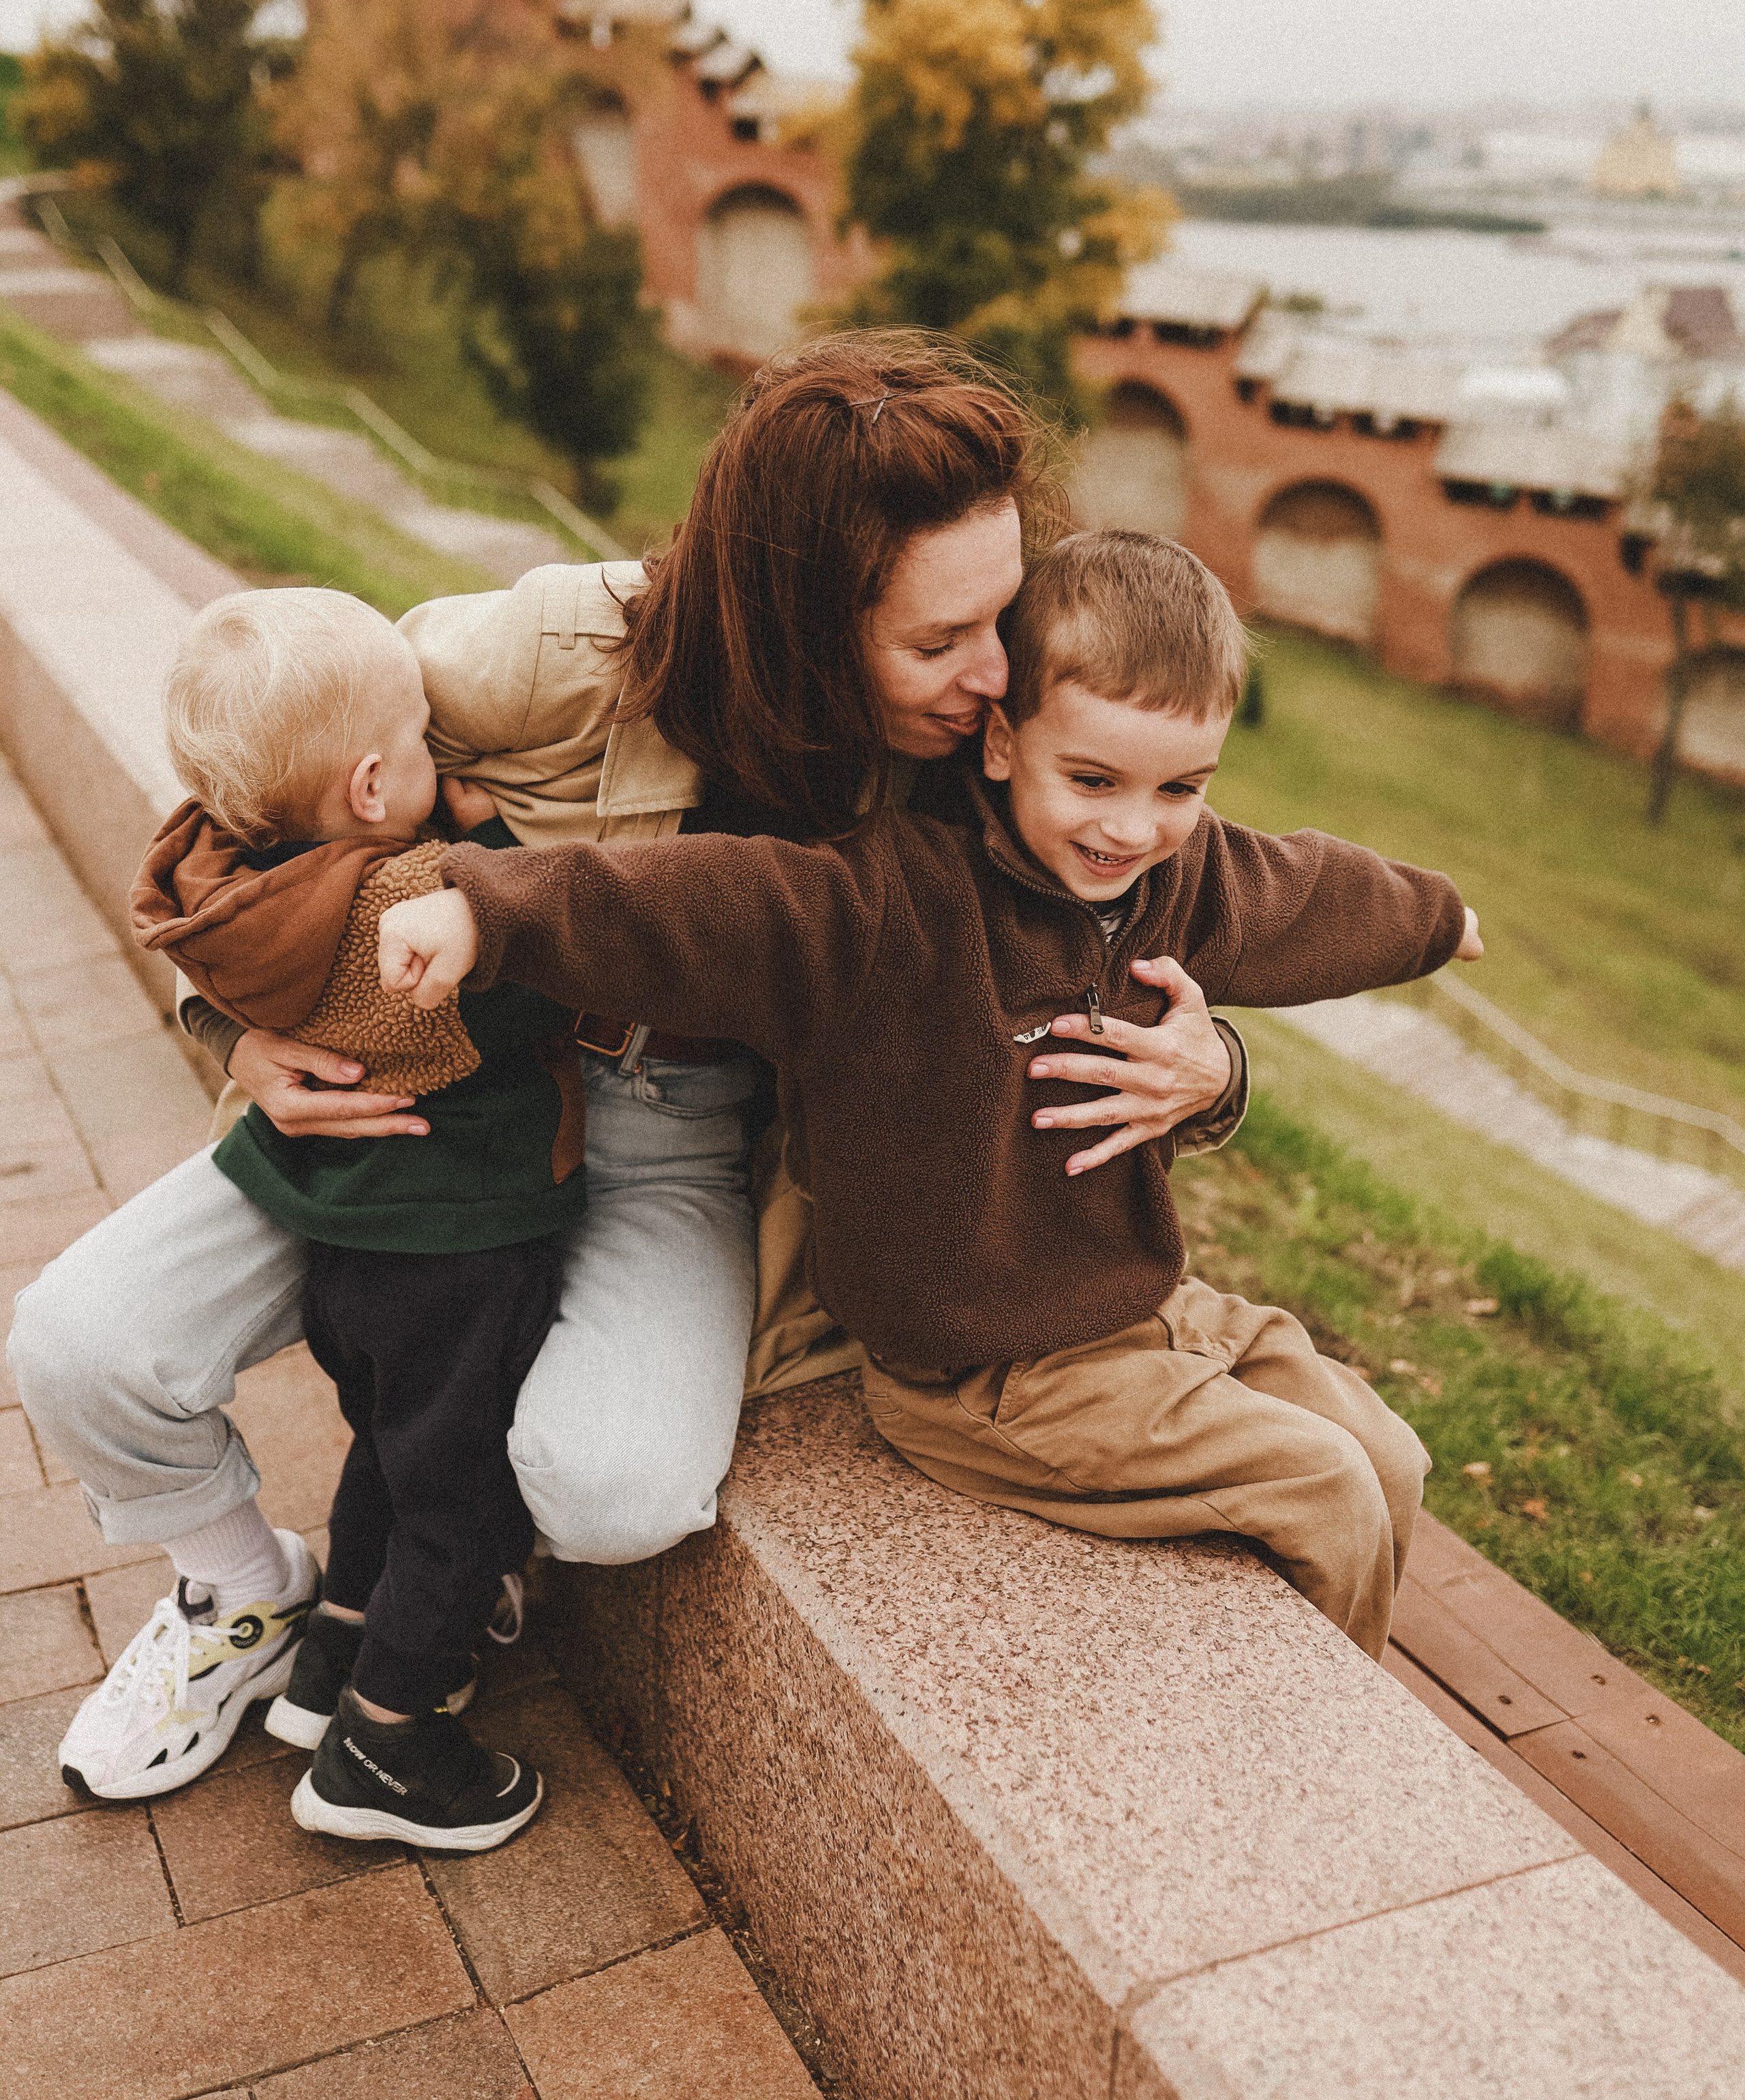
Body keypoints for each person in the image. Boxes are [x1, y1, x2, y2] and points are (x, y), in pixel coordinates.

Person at [9, 333, 1246, 1804]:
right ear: (796, 614)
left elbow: (1158, 890)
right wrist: (243, 1033)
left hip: (674, 1132)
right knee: (79, 1349)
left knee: (614, 1492)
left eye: (1002, 617)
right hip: (424, 1098)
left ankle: (436, 1547)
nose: (994, 676)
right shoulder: (549, 649)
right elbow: (246, 785)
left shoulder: (970, 744)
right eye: (938, 642)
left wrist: (1212, 1066)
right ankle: (243, 1592)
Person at [382, 531, 1485, 1659]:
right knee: (1328, 1490)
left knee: (1393, 1457)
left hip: (1144, 1308)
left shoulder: (1176, 875)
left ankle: (1335, 1701)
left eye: (1179, 789)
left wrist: (1441, 921)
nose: (1131, 828)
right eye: (1094, 781)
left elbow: (1313, 891)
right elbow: (692, 904)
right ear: (1003, 741)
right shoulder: (894, 900)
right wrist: (485, 908)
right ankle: (1318, 1788)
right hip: (990, 1373)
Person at [117, 585, 569, 1845]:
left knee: (387, 1449)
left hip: (343, 1254)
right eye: (427, 740)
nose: (446, 761)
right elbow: (546, 986)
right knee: (462, 1497)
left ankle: (330, 1668)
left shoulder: (229, 889)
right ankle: (388, 1744)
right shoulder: (408, 907)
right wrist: (500, 856)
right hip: (457, 1251)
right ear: (374, 788)